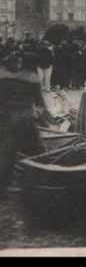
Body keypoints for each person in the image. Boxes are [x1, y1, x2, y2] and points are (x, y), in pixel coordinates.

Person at [0, 51, 52, 190]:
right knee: (38, 151)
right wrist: (44, 118)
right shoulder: (33, 79)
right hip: (25, 117)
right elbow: (40, 104)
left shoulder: (4, 77)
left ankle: (4, 185)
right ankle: (46, 179)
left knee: (6, 152)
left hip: (6, 117)